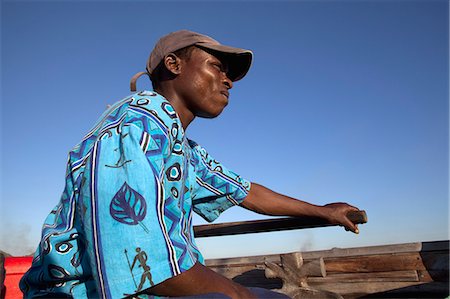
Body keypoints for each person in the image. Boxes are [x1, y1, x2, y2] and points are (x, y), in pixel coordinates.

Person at [20, 30, 361, 299]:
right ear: (174, 64)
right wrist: (240, 293)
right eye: (216, 66)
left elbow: (247, 192)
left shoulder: (184, 149)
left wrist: (323, 211)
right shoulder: (133, 129)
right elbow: (138, 266)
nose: (227, 81)